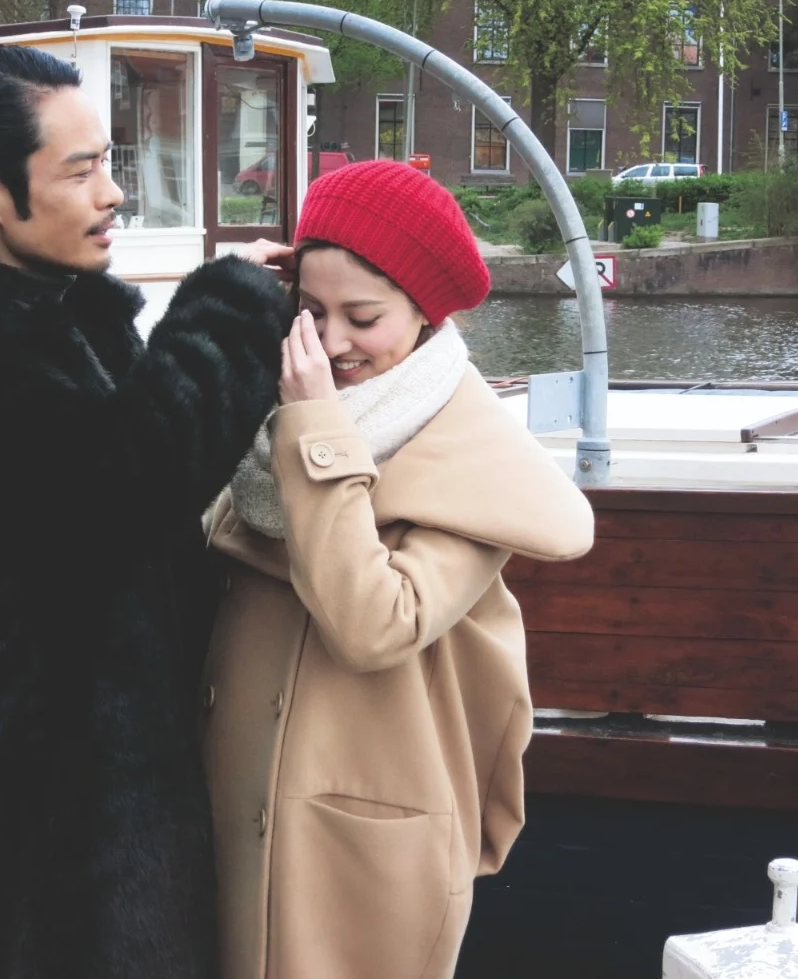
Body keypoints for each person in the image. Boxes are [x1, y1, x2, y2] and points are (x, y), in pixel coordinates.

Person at [0, 44, 292, 978]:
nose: (113, 193)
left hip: (117, 805)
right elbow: (128, 486)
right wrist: (231, 308)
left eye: (110, 164)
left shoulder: (49, 321)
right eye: (80, 170)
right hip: (43, 843)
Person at [201, 159, 596, 978]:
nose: (332, 343)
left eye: (364, 317)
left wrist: (315, 428)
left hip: (359, 857)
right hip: (228, 827)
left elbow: (373, 626)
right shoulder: (271, 418)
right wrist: (224, 308)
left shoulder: (471, 460)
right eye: (311, 311)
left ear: (424, 312)